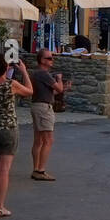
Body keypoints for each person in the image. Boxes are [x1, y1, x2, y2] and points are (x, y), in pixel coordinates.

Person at [0, 54, 32, 218]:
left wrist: (2, 69)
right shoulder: (11, 84)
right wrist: (24, 71)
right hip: (8, 128)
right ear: (5, 67)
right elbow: (30, 91)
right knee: (4, 170)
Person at [28, 50, 65, 181]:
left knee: (38, 140)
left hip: (38, 105)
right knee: (48, 140)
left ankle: (36, 168)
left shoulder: (36, 74)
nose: (52, 60)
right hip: (44, 108)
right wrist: (59, 79)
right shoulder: (43, 74)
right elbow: (59, 89)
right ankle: (40, 170)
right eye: (49, 58)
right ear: (42, 60)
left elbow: (49, 93)